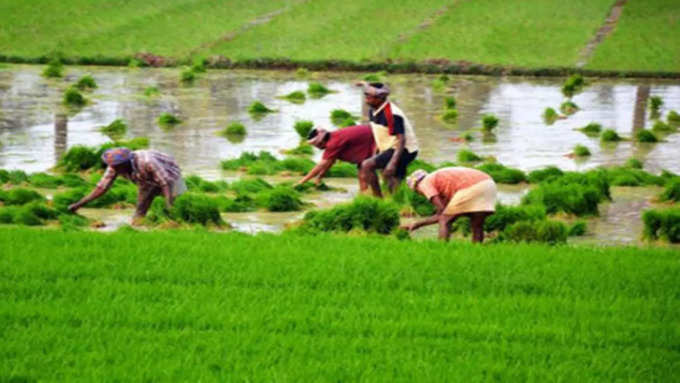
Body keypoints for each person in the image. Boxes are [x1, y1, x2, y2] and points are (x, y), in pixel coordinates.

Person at [68, 148, 186, 223]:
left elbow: (165, 183)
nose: (114, 169)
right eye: (112, 166)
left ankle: (177, 221)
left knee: (177, 205)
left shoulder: (147, 161)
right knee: (140, 209)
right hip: (145, 179)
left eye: (118, 166)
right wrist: (79, 204)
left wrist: (169, 205)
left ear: (126, 162)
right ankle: (138, 224)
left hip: (169, 174)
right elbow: (102, 187)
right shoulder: (115, 166)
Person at [401, 167, 497, 242]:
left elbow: (442, 213)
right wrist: (417, 224)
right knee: (477, 224)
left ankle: (442, 249)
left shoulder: (424, 183)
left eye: (417, 191)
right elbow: (444, 213)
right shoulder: (441, 180)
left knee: (445, 221)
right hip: (488, 184)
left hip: (472, 186)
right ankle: (477, 250)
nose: (421, 194)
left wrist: (418, 224)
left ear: (416, 185)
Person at [358, 81, 419, 197]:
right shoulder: (373, 110)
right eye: (365, 95)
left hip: (405, 149)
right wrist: (376, 153)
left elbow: (401, 140)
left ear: (380, 98)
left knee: (367, 165)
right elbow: (379, 133)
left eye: (368, 96)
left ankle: (379, 200)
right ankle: (396, 200)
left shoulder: (391, 114)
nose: (366, 99)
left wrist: (392, 163)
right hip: (390, 147)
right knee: (393, 179)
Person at [294, 125, 376, 190]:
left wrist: (301, 182)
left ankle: (372, 197)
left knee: (364, 174)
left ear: (321, 142)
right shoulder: (334, 136)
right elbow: (330, 162)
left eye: (317, 145)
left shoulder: (333, 143)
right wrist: (319, 177)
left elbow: (321, 165)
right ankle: (365, 196)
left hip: (376, 139)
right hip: (367, 140)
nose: (317, 148)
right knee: (362, 174)